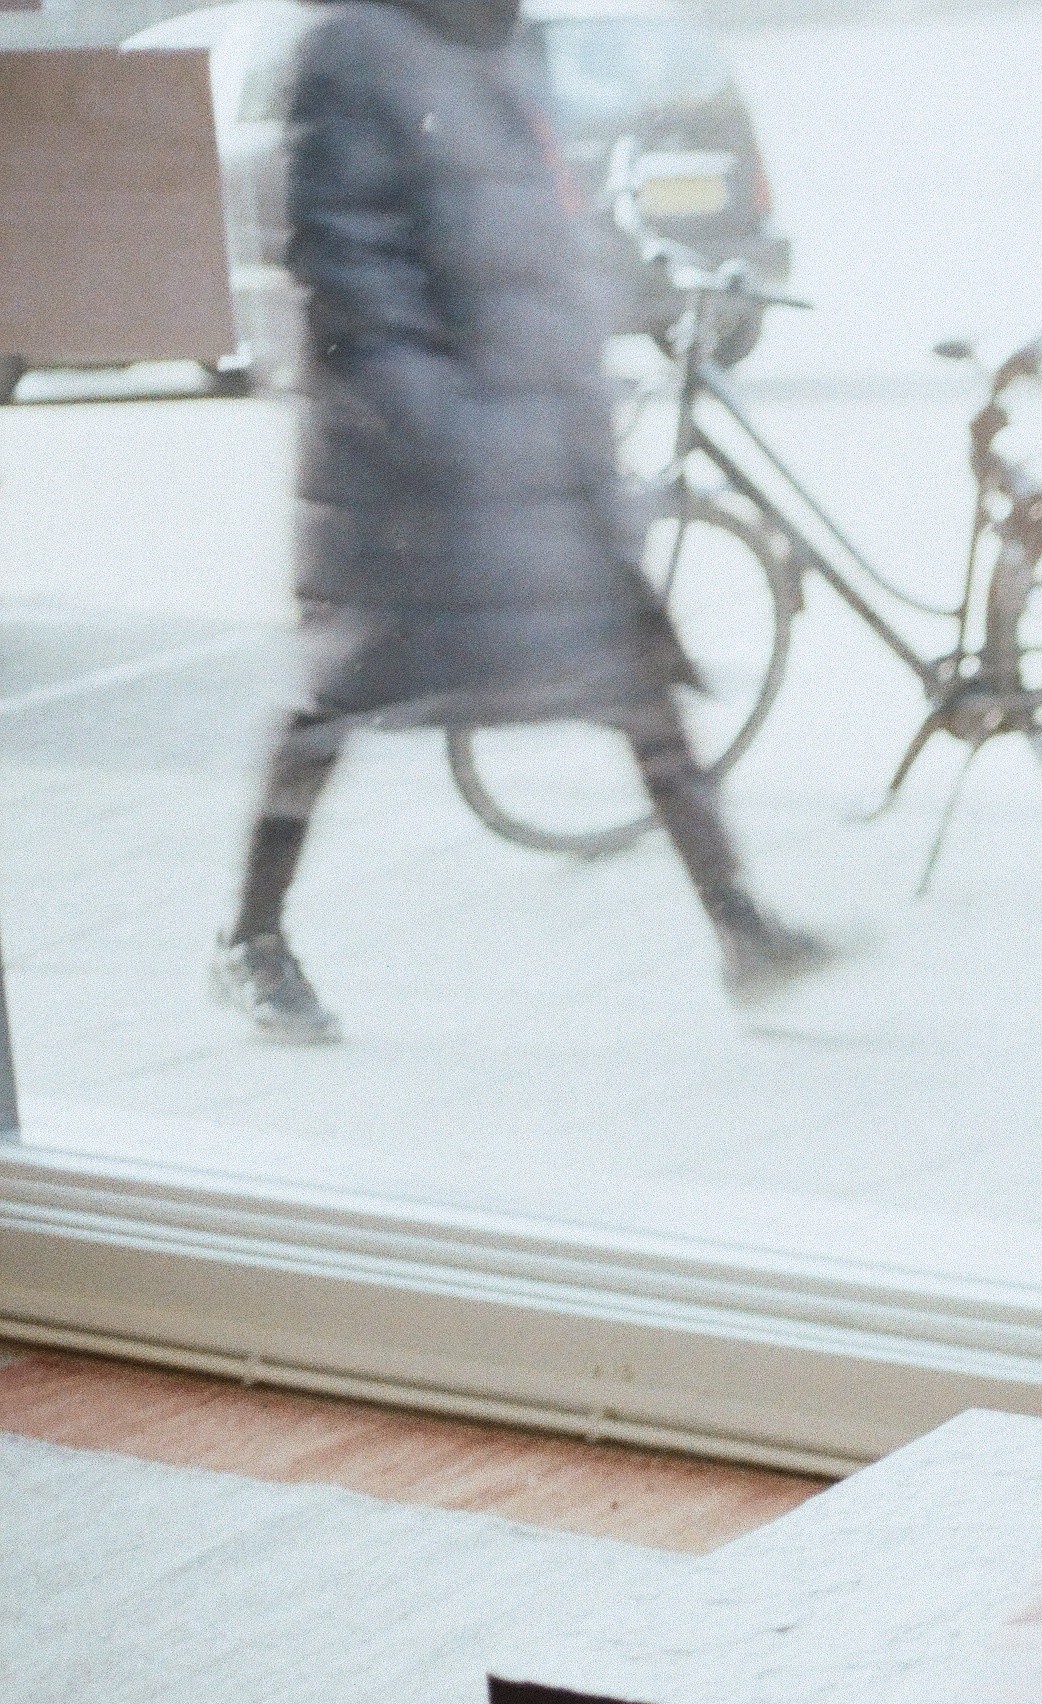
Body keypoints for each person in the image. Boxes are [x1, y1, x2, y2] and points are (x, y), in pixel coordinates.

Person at [211, 0, 826, 1043]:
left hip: (534, 449)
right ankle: (251, 941)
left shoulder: (489, 43)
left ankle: (739, 925)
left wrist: (572, 403)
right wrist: (455, 432)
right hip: (408, 478)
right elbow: (348, 279)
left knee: (636, 680)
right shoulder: (355, 50)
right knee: (332, 700)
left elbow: (536, 240)